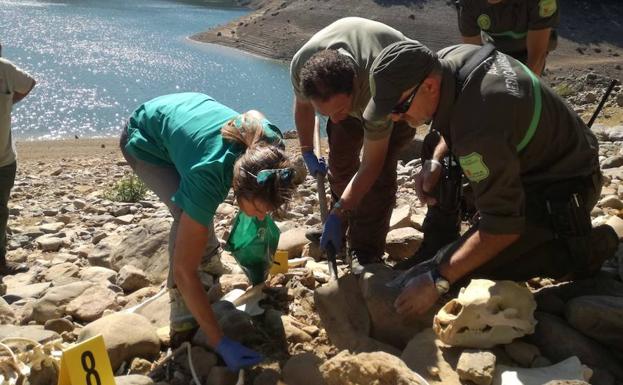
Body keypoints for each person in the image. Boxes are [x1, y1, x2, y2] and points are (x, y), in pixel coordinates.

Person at [363, 40, 619, 317]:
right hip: (538, 153)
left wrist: (438, 277)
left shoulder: (480, 127)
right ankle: (440, 241)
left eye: (399, 106)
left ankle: (582, 248)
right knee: (435, 144)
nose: (396, 117)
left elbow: (503, 225)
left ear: (429, 86)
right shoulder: (448, 59)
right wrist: (436, 161)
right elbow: (454, 117)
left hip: (566, 187)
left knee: (469, 274)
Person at [119, 92, 296, 371]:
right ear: (236, 187)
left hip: (190, 113)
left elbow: (253, 112)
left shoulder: (272, 150)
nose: (263, 217)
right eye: (259, 210)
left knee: (198, 217)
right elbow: (183, 269)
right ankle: (180, 306)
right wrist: (219, 340)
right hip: (145, 135)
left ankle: (210, 258)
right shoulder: (210, 175)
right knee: (186, 215)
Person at [290, 17, 416, 267]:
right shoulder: (303, 65)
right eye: (325, 113)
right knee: (339, 164)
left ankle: (365, 249)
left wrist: (337, 212)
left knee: (378, 180)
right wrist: (306, 150)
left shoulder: (379, 83)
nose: (334, 120)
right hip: (356, 96)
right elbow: (304, 107)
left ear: (354, 88)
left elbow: (372, 165)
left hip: (401, 101)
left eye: (338, 110)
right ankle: (342, 225)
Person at [0, 42, 35, 276]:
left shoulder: (5, 69)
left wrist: (9, 102)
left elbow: (29, 84)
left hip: (3, 159)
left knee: (0, 211)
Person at [456, 0, 559, 75]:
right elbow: (473, 54)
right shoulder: (468, 4)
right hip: (493, 51)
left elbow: (537, 56)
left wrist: (527, 92)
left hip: (527, 51)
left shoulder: (542, 2)